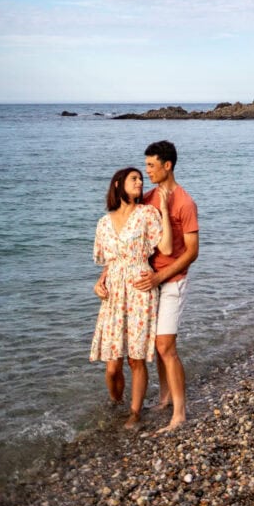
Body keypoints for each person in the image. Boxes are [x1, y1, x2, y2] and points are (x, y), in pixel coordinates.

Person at [90, 167, 172, 428]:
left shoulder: (148, 213)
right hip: (114, 293)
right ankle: (116, 403)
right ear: (118, 185)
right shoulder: (104, 222)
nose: (140, 182)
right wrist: (99, 282)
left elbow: (166, 247)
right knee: (112, 365)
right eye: (134, 179)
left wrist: (166, 212)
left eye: (140, 178)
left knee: (136, 357)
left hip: (139, 288)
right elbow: (109, 261)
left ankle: (135, 412)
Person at [133, 140, 199, 432]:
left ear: (167, 166)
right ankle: (164, 398)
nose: (147, 171)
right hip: (150, 280)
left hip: (172, 281)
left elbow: (192, 252)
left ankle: (180, 413)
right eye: (145, 165)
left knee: (165, 345)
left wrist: (161, 276)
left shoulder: (185, 202)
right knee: (157, 345)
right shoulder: (147, 198)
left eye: (151, 165)